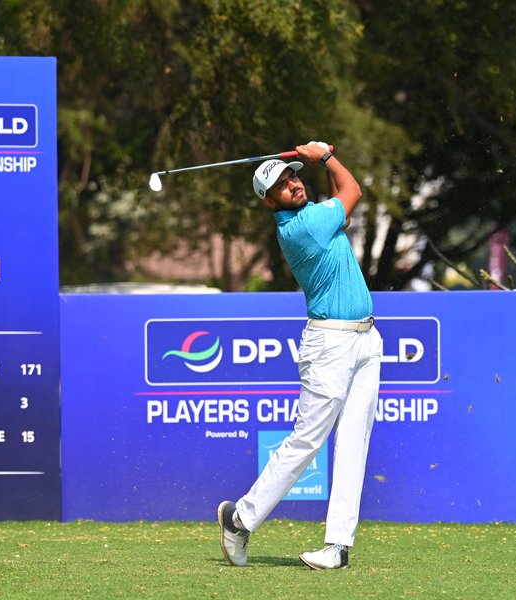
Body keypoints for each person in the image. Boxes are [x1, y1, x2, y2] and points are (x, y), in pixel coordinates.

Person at [217, 141, 383, 570]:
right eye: (281, 184)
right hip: (330, 344)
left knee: (353, 443)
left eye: (293, 175)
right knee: (308, 439)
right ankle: (241, 519)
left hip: (366, 339)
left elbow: (341, 199)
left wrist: (317, 162)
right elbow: (352, 191)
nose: (292, 184)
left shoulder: (316, 217)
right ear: (269, 202)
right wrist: (324, 156)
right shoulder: (303, 227)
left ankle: (337, 547)